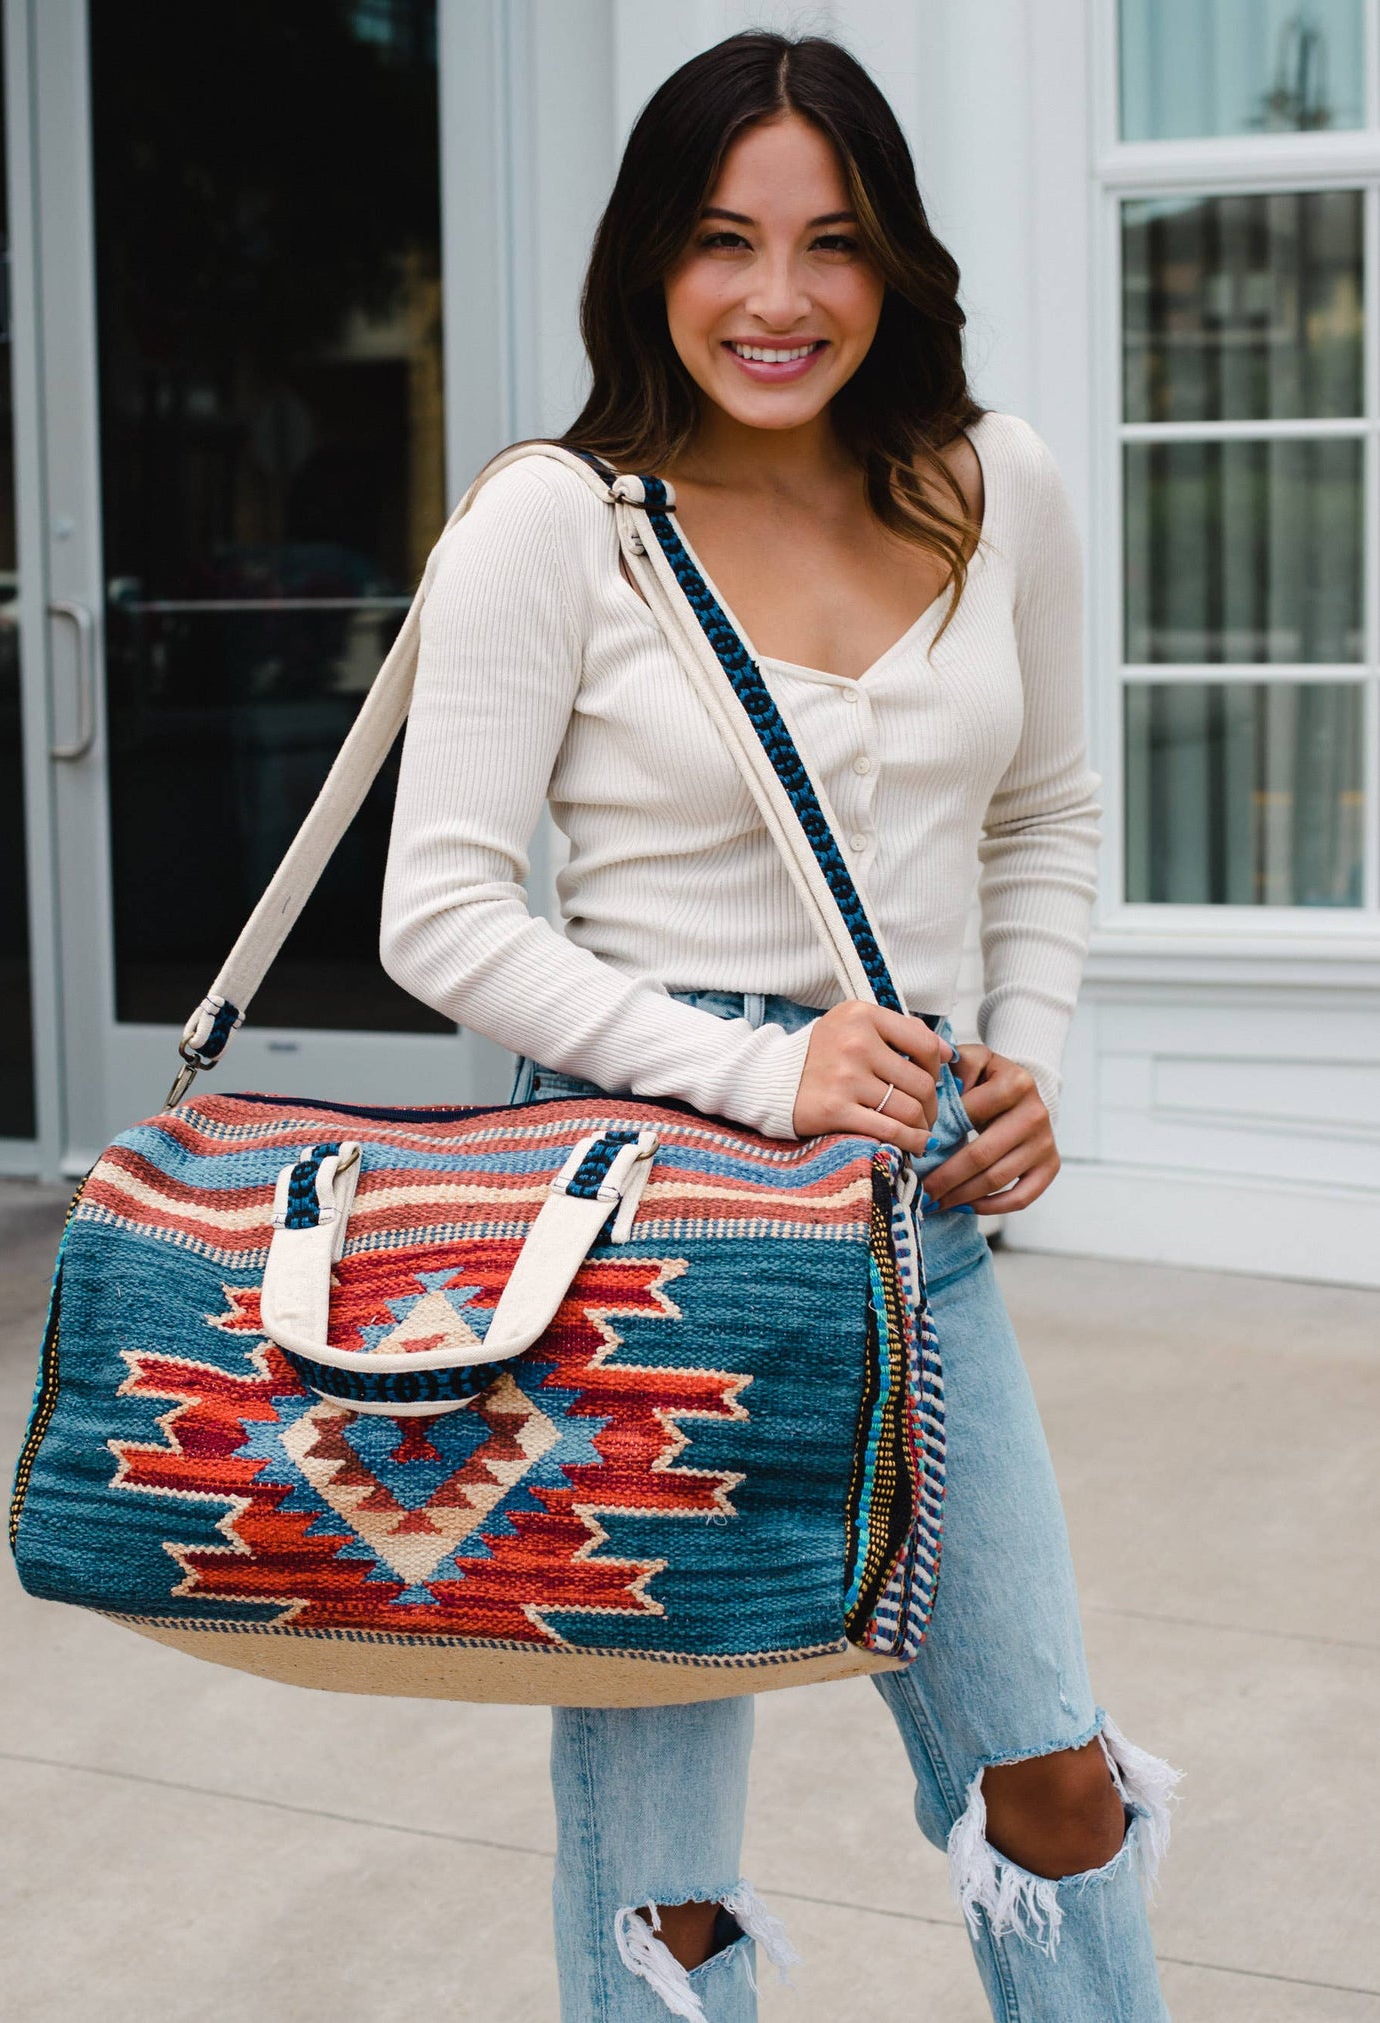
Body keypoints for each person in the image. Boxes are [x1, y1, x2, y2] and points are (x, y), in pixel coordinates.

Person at [381, 30, 1178, 2023]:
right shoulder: (553, 522)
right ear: (651, 260)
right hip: (642, 1215)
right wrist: (765, 1062)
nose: (779, 298)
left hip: (919, 1199)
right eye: (725, 241)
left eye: (832, 243)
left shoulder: (1003, 486)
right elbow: (438, 914)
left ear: (892, 260)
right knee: (666, 1862)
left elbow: (1052, 808)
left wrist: (1031, 1050)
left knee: (1053, 1774)